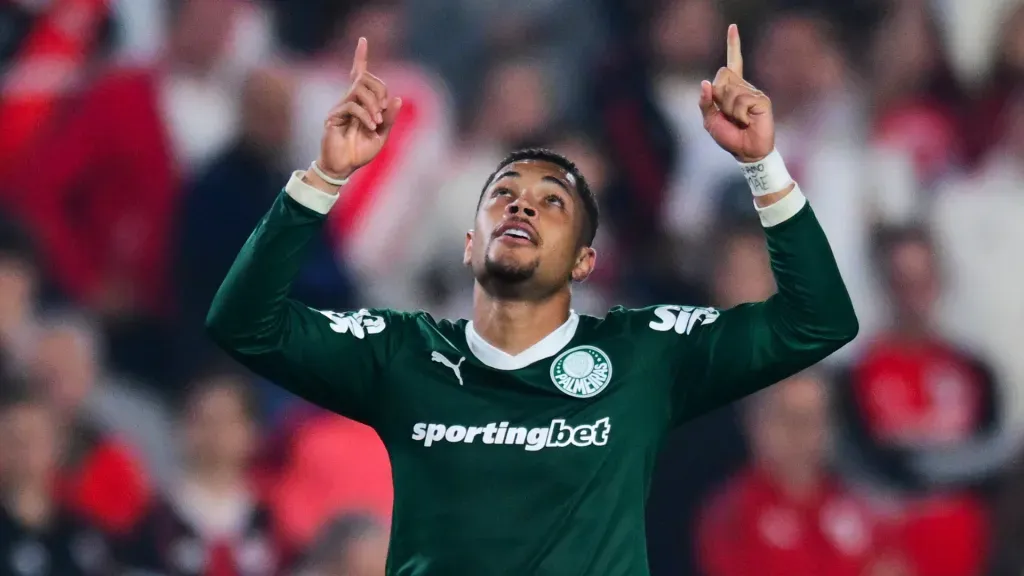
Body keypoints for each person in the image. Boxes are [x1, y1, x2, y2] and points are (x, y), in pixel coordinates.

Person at [206, 28, 858, 575]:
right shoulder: (404, 353)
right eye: (504, 193)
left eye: (554, 202)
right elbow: (244, 324)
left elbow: (818, 320)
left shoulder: (642, 353)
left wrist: (763, 166)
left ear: (585, 261)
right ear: (469, 245)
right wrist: (324, 177)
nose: (523, 203)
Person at [697, 372, 908, 576]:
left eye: (814, 419)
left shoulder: (860, 507)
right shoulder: (732, 514)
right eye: (788, 419)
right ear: (756, 424)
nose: (802, 433)